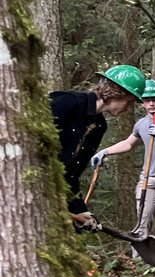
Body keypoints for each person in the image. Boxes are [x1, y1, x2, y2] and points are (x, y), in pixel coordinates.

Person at [90, 79, 155, 257]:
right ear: (142, 103)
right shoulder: (141, 124)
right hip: (147, 179)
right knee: (142, 219)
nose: (151, 104)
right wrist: (104, 152)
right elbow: (128, 144)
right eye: (147, 100)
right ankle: (140, 260)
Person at [50, 64, 146, 229]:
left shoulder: (99, 127)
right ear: (115, 92)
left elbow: (71, 174)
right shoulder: (67, 102)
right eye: (129, 101)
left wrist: (80, 210)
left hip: (53, 194)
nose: (129, 108)